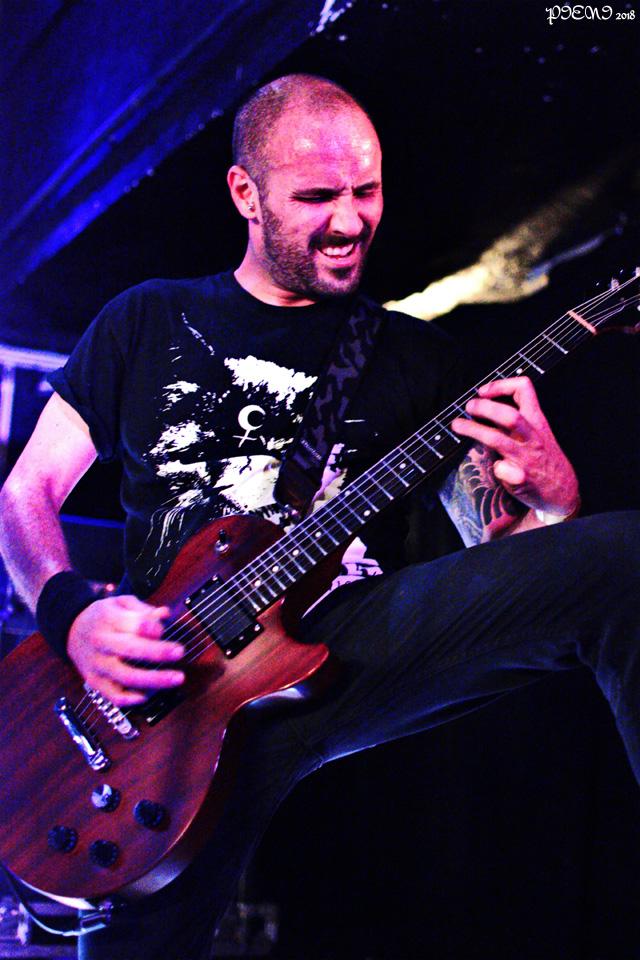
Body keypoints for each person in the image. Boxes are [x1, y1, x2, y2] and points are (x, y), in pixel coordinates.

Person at [0, 74, 637, 960]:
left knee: (625, 561)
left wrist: (553, 495)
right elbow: (24, 493)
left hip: (344, 654)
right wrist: (70, 613)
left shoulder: (416, 360)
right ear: (245, 193)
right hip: (169, 697)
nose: (349, 220)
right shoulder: (147, 320)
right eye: (315, 197)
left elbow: (513, 566)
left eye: (366, 191)